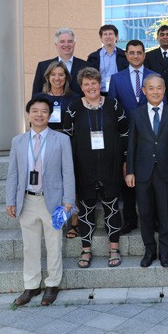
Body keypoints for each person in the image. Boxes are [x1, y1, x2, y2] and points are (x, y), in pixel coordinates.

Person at [6, 97, 75, 306]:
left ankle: (52, 284)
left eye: (44, 111)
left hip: (52, 201)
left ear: (50, 115)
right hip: (27, 200)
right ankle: (31, 285)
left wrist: (68, 200)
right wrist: (11, 199)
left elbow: (68, 171)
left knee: (54, 243)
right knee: (30, 246)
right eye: (34, 111)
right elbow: (13, 173)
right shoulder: (18, 141)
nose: (39, 115)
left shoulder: (61, 139)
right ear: (28, 114)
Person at [63, 67, 128, 268]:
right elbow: (66, 138)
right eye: (86, 84)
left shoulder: (113, 105)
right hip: (84, 167)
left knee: (112, 208)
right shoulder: (74, 107)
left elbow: (125, 134)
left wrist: (125, 162)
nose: (91, 87)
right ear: (81, 87)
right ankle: (86, 250)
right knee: (86, 209)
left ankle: (114, 248)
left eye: (94, 83)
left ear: (100, 84)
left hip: (111, 166)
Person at [126, 74, 168, 268]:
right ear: (144, 91)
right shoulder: (137, 114)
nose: (155, 92)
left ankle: (165, 252)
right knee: (145, 213)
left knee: (165, 213)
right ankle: (149, 250)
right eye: (150, 88)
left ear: (165, 89)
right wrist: (130, 171)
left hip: (166, 172)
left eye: (159, 88)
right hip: (142, 173)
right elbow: (132, 145)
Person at [108, 39, 156, 236]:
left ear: (144, 55)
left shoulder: (155, 77)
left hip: (150, 136)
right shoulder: (117, 78)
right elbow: (112, 107)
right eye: (132, 53)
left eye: (139, 52)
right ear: (126, 55)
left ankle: (153, 220)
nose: (135, 56)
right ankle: (129, 220)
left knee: (152, 178)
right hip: (125, 135)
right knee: (128, 176)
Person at [33, 60, 79, 239]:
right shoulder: (39, 97)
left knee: (70, 182)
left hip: (69, 142)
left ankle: (74, 223)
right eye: (53, 75)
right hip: (46, 143)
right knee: (49, 181)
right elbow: (35, 120)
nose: (57, 78)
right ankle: (52, 221)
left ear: (66, 77)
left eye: (61, 74)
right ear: (48, 77)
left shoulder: (74, 97)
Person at [32, 27, 91, 97]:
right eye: (62, 41)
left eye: (70, 41)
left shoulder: (86, 66)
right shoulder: (43, 66)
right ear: (56, 44)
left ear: (74, 44)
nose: (66, 45)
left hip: (78, 107)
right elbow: (36, 94)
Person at [86, 24, 128, 96]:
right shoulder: (93, 57)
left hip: (120, 94)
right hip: (99, 94)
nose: (108, 37)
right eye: (105, 34)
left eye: (110, 34)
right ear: (101, 38)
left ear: (116, 37)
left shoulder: (125, 56)